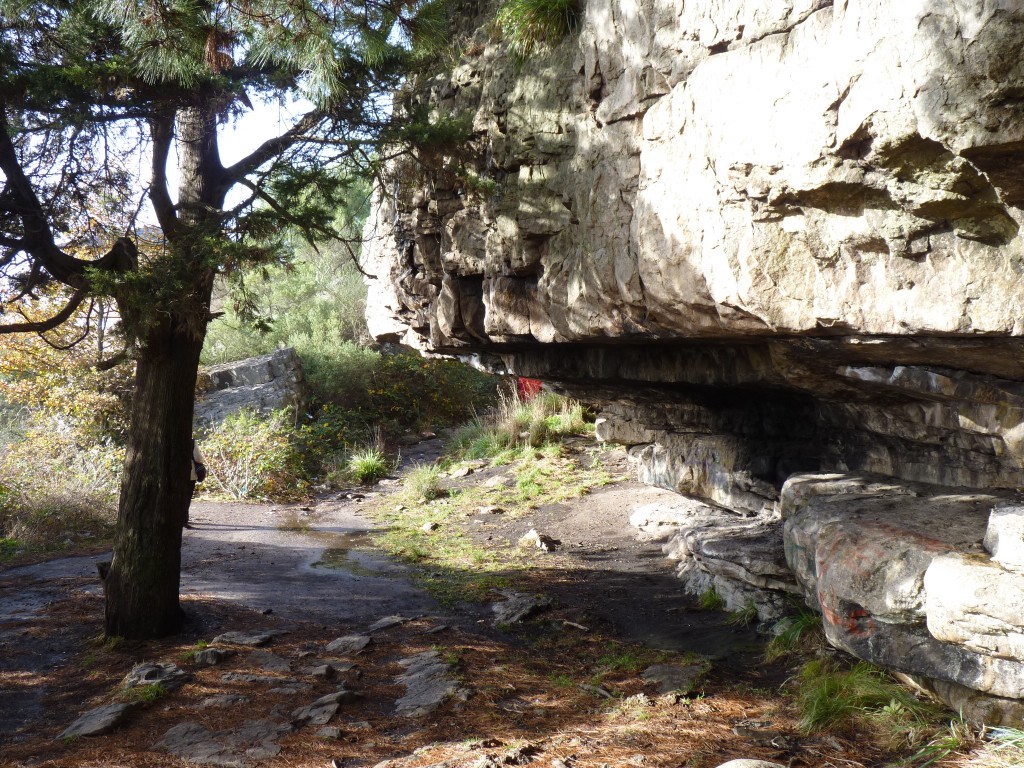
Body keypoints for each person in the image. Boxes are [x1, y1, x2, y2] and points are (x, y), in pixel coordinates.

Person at [185, 438, 206, 529]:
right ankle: (184, 520)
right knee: (186, 498)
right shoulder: (191, 442)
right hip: (190, 474)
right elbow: (198, 458)